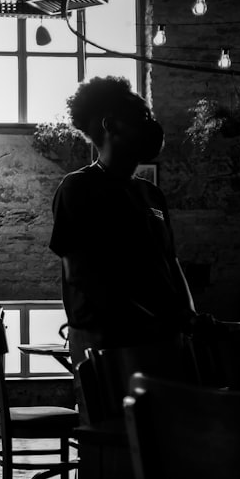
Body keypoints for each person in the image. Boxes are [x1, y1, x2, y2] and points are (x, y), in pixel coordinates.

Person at [49, 76, 199, 370]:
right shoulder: (78, 188)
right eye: (142, 116)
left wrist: (189, 317)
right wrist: (150, 320)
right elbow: (81, 274)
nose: (151, 124)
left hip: (164, 341)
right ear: (110, 124)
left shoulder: (150, 193)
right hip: (110, 346)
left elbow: (170, 262)